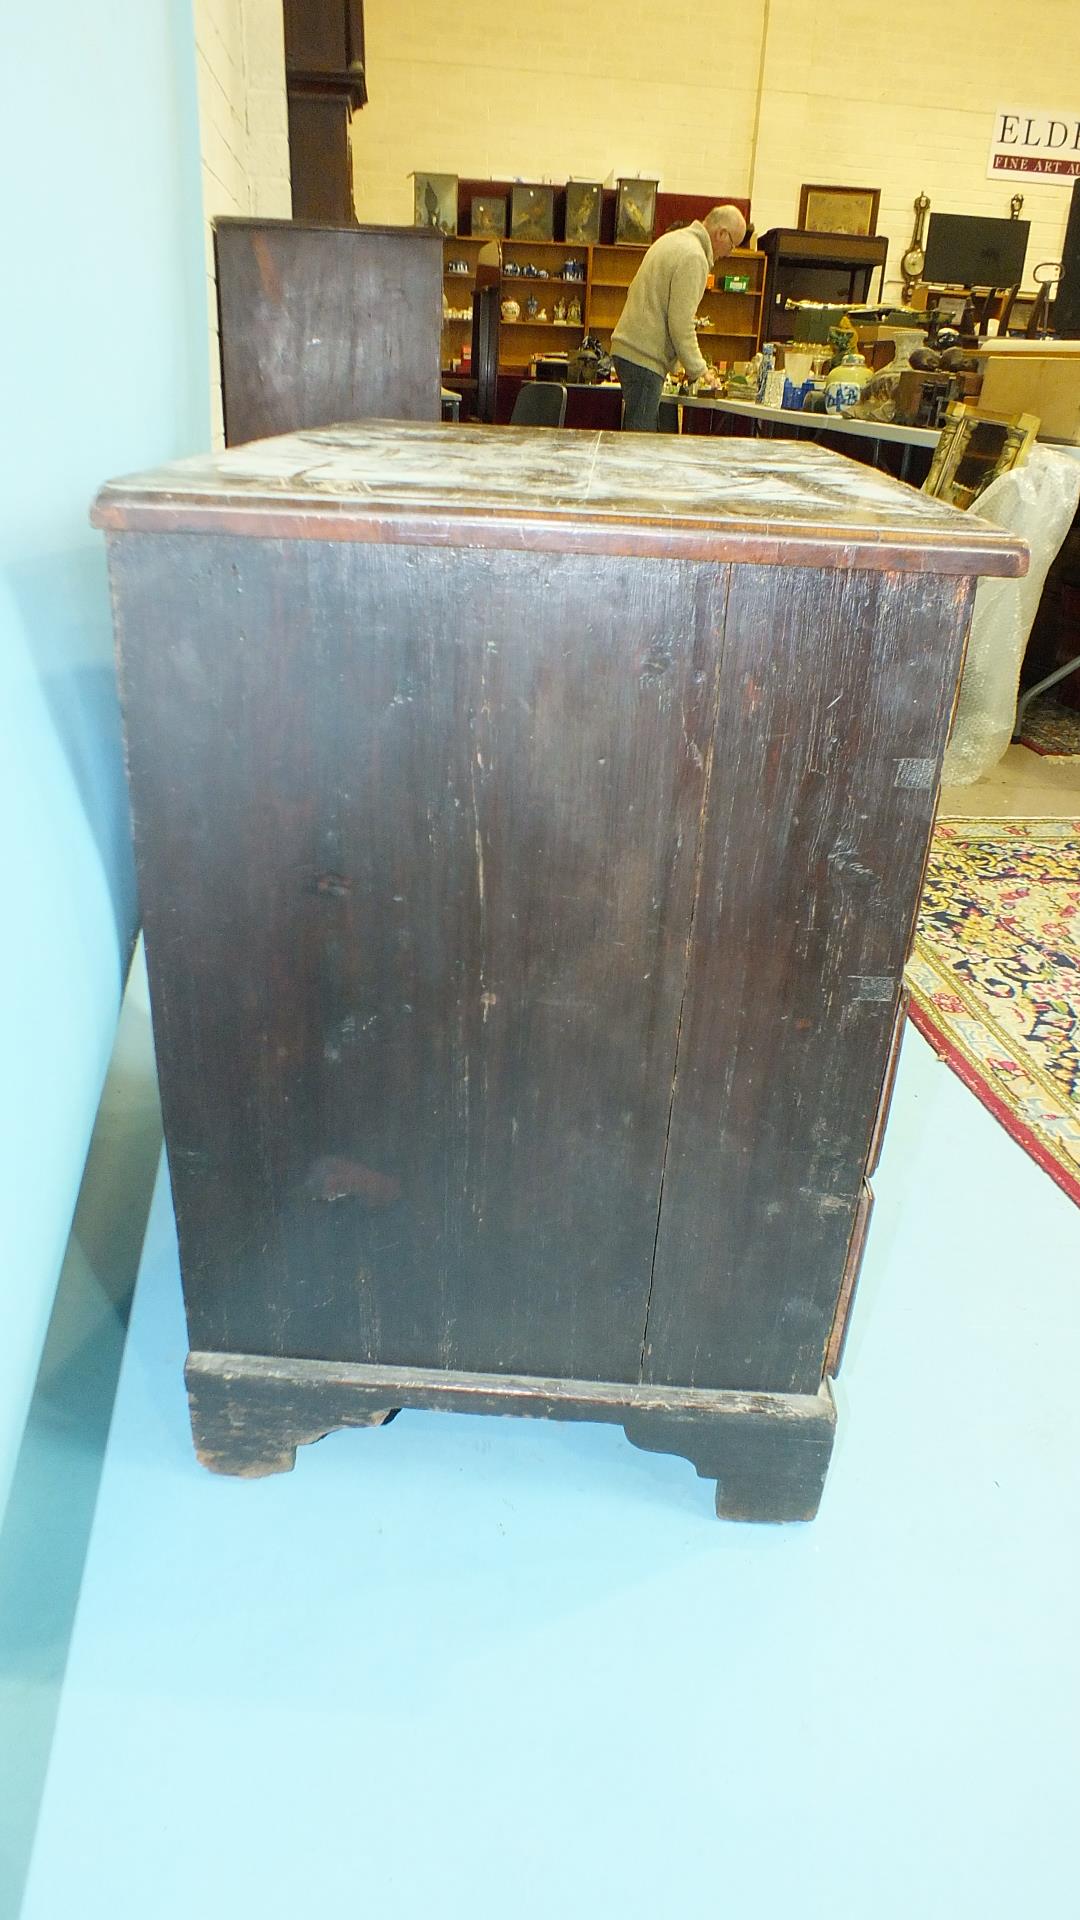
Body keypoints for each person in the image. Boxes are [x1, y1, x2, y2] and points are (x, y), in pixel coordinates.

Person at [611, 205, 748, 431]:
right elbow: (681, 324)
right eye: (733, 244)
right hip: (645, 357)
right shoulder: (695, 257)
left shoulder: (672, 240)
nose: (730, 252)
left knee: (638, 434)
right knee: (640, 442)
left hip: (627, 349)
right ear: (721, 234)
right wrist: (700, 371)